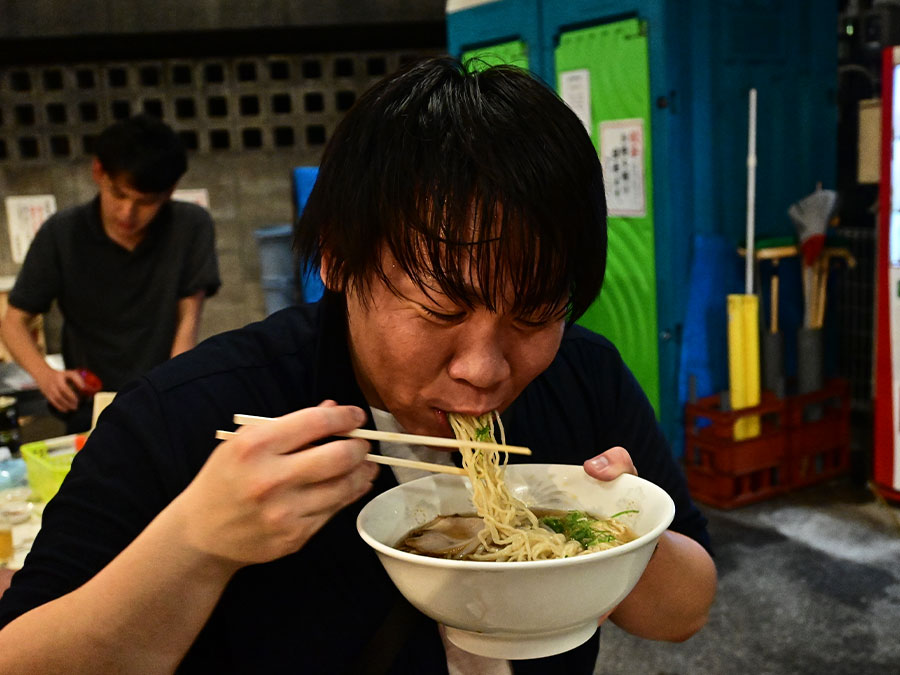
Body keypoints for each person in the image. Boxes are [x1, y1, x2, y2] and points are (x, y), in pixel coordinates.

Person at [0, 58, 716, 674]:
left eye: (533, 315)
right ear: (340, 256)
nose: (484, 367)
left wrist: (612, 535)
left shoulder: (581, 375)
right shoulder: (192, 414)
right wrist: (194, 545)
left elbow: (685, 609)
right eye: (441, 309)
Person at [0, 114, 221, 433]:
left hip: (162, 399)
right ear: (98, 172)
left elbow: (188, 319)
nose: (127, 213)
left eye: (145, 202)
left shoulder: (190, 226)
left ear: (170, 190)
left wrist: (174, 386)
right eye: (119, 194)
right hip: (90, 409)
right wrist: (46, 376)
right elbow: (13, 321)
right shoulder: (62, 234)